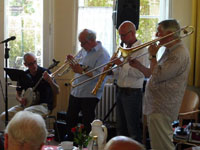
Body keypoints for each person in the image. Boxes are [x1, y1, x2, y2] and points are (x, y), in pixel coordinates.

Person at [129, 19, 191, 150]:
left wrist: (152, 56)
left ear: (169, 33)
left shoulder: (179, 53)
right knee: (158, 144)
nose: (156, 36)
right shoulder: (170, 51)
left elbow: (158, 76)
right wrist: (139, 66)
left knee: (162, 146)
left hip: (162, 107)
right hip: (156, 106)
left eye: (159, 32)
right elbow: (153, 74)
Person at [65, 29, 110, 140]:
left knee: (87, 123)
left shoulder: (103, 54)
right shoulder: (83, 50)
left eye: (83, 42)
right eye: (80, 42)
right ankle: (71, 144)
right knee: (70, 120)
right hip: (76, 91)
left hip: (89, 94)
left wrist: (81, 71)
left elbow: (100, 75)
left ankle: (87, 146)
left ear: (91, 41)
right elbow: (79, 66)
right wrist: (72, 62)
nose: (81, 45)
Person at [111, 21, 149, 142]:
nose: (121, 38)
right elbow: (121, 71)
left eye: (123, 35)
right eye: (120, 35)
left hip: (132, 93)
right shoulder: (125, 47)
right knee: (120, 128)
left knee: (132, 129)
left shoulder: (142, 49)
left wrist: (121, 64)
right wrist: (111, 71)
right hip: (120, 90)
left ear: (132, 33)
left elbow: (140, 73)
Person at [0, 52, 60, 121]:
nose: (34, 65)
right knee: (4, 116)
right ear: (25, 65)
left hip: (43, 106)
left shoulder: (45, 72)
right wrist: (20, 99)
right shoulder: (23, 75)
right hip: (27, 106)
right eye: (30, 64)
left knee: (25, 114)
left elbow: (57, 90)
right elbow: (18, 94)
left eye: (35, 62)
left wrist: (50, 81)